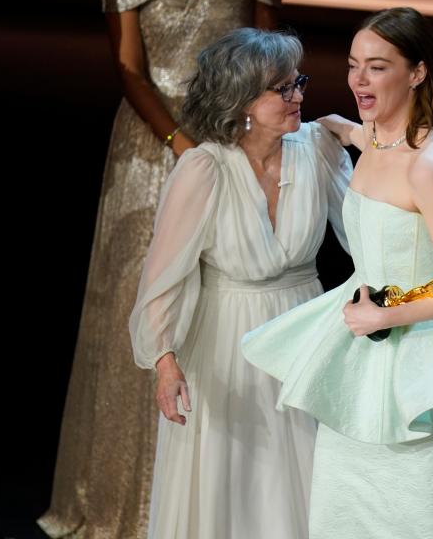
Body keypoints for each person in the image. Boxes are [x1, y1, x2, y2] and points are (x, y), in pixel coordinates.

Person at [241, 7, 433, 539]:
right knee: (342, 517)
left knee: (414, 520)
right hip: (363, 362)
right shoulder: (378, 137)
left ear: (416, 73)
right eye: (353, 66)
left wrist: (386, 311)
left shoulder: (430, 163)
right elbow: (378, 144)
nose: (359, 80)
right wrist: (344, 128)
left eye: (378, 68)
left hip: (422, 371)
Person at [39, 0, 280, 536]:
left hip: (231, 140)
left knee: (224, 295)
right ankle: (129, 500)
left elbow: (272, 64)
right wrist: (179, 142)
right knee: (147, 297)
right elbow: (129, 67)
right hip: (154, 147)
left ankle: (211, 499)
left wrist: (240, 143)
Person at [129, 28, 350, 538]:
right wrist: (165, 362)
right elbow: (164, 276)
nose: (299, 97)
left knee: (302, 475)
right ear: (241, 100)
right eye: (282, 88)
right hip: (226, 343)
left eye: (300, 83)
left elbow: (365, 229)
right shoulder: (203, 168)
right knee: (231, 480)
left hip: (302, 334)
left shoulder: (316, 147)